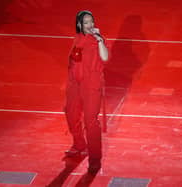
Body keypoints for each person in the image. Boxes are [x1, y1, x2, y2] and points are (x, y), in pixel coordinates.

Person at [64, 10, 109, 173]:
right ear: (79, 25)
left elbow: (105, 58)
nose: (90, 25)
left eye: (91, 22)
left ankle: (95, 159)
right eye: (86, 23)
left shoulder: (98, 40)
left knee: (90, 121)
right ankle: (79, 144)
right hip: (74, 84)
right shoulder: (77, 38)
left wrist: (99, 40)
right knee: (70, 112)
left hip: (91, 85)